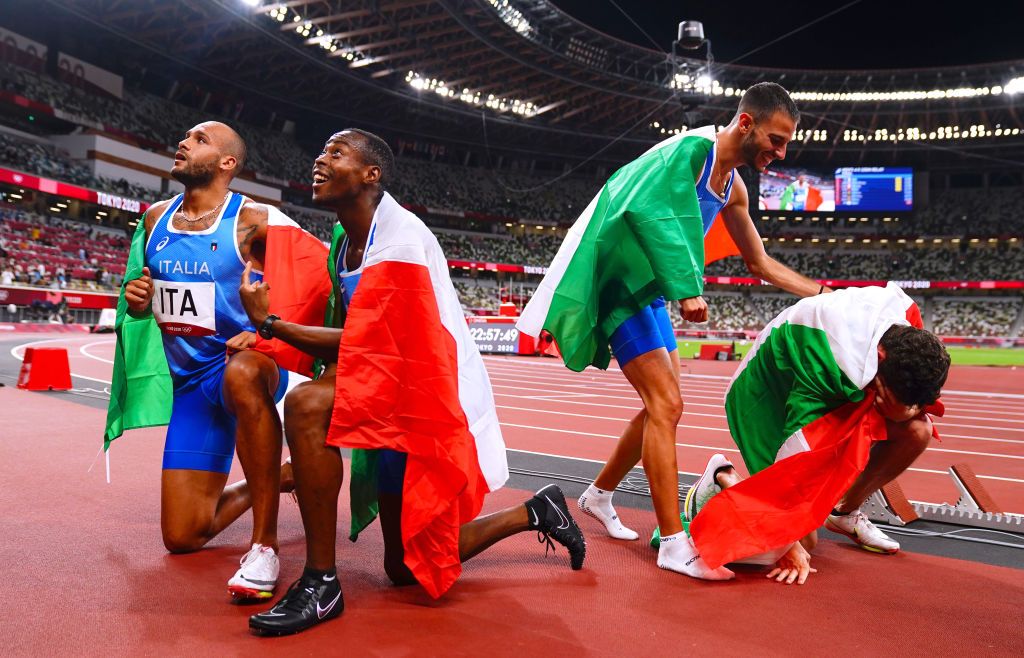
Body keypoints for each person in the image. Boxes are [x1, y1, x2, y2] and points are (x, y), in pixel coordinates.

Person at [238, 129, 586, 636]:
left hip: (431, 391)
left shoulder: (397, 238)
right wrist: (264, 335)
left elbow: (369, 340)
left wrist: (271, 325)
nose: (319, 158)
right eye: (322, 149)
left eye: (336, 152)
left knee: (308, 406)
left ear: (370, 175)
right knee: (404, 568)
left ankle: (321, 582)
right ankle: (536, 511)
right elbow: (363, 340)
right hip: (396, 381)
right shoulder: (346, 241)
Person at [518, 82, 827, 580]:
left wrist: (825, 296)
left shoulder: (734, 187)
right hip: (621, 285)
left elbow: (761, 262)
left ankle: (598, 494)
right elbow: (647, 209)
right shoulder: (690, 151)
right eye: (776, 138)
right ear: (745, 123)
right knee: (667, 405)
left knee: (660, 403)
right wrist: (686, 287)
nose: (781, 152)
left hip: (651, 293)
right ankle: (674, 545)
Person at [120, 121, 299, 601]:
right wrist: (137, 300)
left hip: (249, 369)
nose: (183, 141)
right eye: (184, 136)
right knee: (182, 537)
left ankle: (265, 546)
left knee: (241, 374)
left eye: (199, 139)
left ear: (227, 164)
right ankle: (280, 474)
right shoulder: (156, 218)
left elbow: (311, 287)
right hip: (190, 387)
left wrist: (263, 326)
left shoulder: (256, 220)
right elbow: (140, 295)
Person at [682, 283, 950, 583]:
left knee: (918, 430)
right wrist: (790, 540)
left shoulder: (907, 320)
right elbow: (791, 465)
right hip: (765, 397)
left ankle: (844, 511)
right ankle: (720, 477)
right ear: (881, 359)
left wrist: (905, 411)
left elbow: (917, 401)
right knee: (793, 541)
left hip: (846, 381)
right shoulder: (825, 367)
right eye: (889, 398)